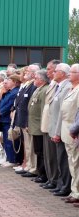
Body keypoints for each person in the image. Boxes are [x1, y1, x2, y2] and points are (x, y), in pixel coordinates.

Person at [49, 63, 72, 197]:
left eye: (56, 71)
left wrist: (57, 132)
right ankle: (60, 184)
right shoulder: (59, 87)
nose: (53, 73)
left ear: (63, 73)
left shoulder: (67, 87)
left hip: (62, 129)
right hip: (57, 128)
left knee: (63, 160)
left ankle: (65, 186)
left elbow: (62, 113)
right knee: (59, 159)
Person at [39, 59, 60, 190]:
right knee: (48, 155)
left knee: (53, 156)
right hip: (47, 124)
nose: (47, 72)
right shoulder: (53, 84)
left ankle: (55, 180)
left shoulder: (62, 86)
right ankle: (51, 178)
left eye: (50, 69)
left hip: (54, 125)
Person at [59, 63, 79, 204]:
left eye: (71, 72)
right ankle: (74, 191)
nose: (69, 74)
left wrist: (74, 130)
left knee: (75, 163)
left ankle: (76, 193)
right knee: (72, 163)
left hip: (74, 132)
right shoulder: (71, 89)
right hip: (67, 130)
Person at [27, 69, 49, 183]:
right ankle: (40, 173)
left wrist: (42, 126)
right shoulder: (38, 89)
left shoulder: (44, 90)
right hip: (34, 125)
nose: (34, 80)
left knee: (41, 152)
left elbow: (42, 111)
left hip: (39, 126)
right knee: (37, 151)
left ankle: (43, 174)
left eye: (36, 78)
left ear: (41, 80)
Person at [0, 75, 21, 167]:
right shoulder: (9, 92)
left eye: (9, 80)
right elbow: (1, 102)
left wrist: (0, 112)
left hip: (8, 119)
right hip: (3, 118)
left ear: (15, 82)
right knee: (6, 139)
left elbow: (9, 105)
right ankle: (9, 158)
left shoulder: (15, 92)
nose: (6, 82)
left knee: (10, 140)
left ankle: (12, 160)